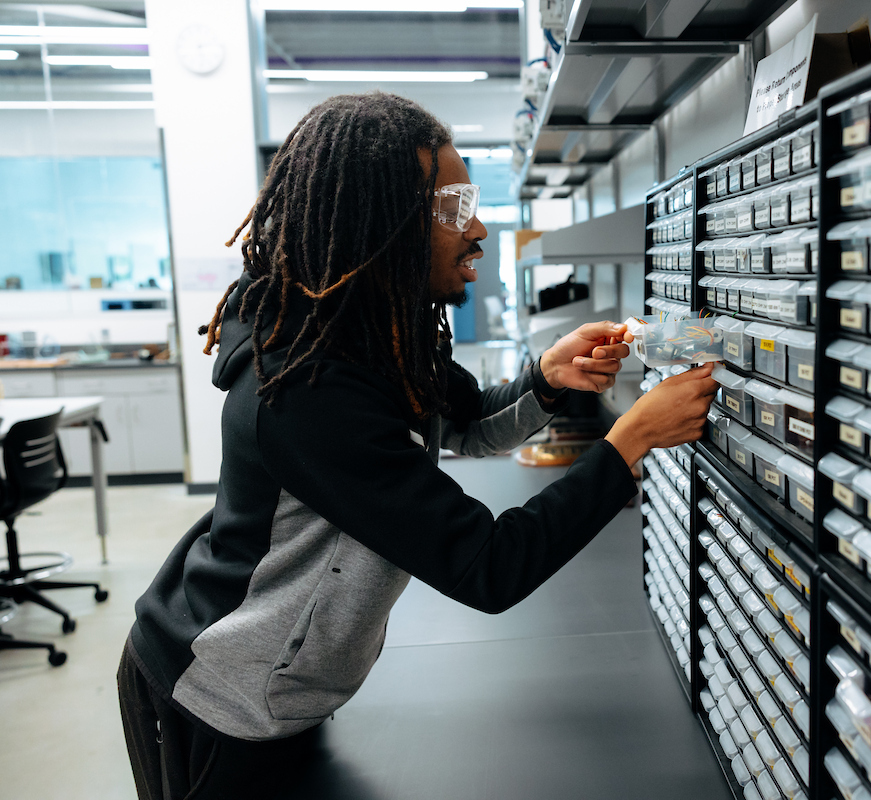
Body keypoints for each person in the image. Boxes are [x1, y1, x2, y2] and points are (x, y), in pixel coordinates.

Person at [116, 92, 717, 800]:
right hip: (221, 701)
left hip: (285, 688)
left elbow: (458, 422)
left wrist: (547, 381)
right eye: (455, 209)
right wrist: (630, 441)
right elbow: (489, 567)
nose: (481, 230)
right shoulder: (307, 387)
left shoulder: (366, 334)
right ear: (383, 224)